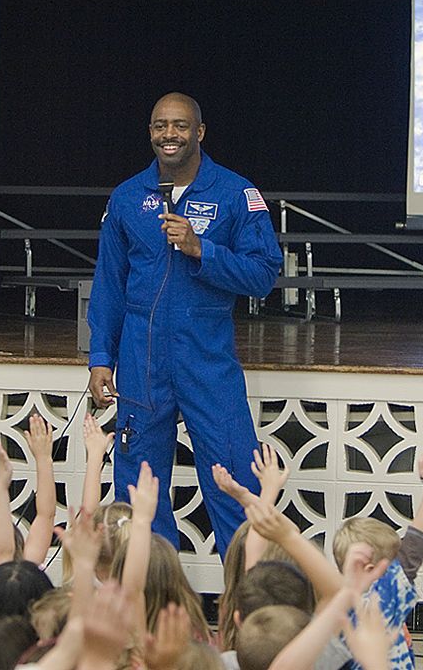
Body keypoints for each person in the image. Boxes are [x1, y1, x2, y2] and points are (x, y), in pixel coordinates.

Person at [87, 92, 283, 555]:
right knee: (139, 493)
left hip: (207, 360)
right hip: (141, 360)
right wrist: (101, 358)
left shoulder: (235, 193)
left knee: (233, 481)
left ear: (199, 132)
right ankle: (149, 604)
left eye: (179, 125)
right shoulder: (128, 197)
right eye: (159, 126)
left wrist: (202, 251)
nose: (168, 135)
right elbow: (109, 284)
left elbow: (262, 275)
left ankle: (249, 606)